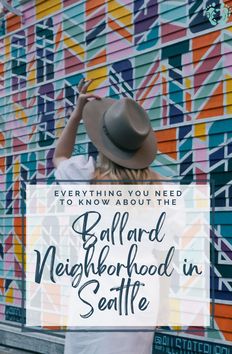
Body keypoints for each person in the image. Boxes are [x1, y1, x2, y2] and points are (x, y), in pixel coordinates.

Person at [53, 77, 164, 354]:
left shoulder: (86, 178)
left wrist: (77, 114)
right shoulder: (158, 188)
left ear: (104, 140)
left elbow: (59, 156)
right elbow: (163, 253)